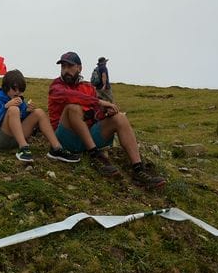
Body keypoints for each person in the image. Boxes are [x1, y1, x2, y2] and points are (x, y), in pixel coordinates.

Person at [48, 52, 166, 189]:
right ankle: (96, 157)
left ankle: (139, 170)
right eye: (63, 67)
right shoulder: (56, 86)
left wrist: (105, 113)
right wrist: (99, 101)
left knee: (120, 117)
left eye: (70, 66)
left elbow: (95, 114)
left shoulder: (88, 87)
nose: (66, 70)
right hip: (64, 138)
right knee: (72, 108)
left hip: (86, 136)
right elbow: (70, 96)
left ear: (79, 68)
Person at [0, 69, 80, 163]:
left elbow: (19, 121)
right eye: (14, 89)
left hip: (15, 139)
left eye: (20, 90)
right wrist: (6, 107)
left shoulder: (20, 100)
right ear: (6, 87)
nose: (17, 92)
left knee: (39, 112)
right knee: (13, 109)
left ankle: (57, 149)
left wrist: (27, 111)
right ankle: (23, 148)